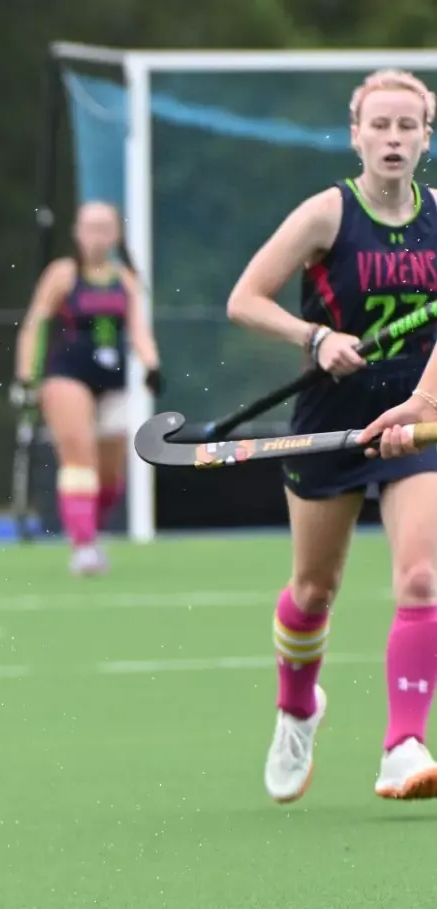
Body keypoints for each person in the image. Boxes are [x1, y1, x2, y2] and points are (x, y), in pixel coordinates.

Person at [226, 69, 437, 804]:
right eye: (378, 124)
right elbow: (244, 299)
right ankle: (295, 708)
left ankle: (402, 744)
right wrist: (313, 338)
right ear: (355, 133)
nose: (391, 138)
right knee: (314, 591)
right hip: (329, 423)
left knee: (419, 576)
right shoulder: (325, 214)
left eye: (406, 126)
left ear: (425, 138)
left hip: (417, 419)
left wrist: (422, 400)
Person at [12, 201, 162, 576]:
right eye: (89, 227)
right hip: (67, 376)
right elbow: (35, 325)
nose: (96, 236)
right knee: (79, 459)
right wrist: (26, 375)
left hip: (112, 381)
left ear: (116, 234)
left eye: (104, 228)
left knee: (110, 474)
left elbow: (139, 330)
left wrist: (151, 364)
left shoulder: (125, 279)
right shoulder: (61, 275)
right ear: (77, 232)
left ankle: (88, 528)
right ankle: (84, 546)